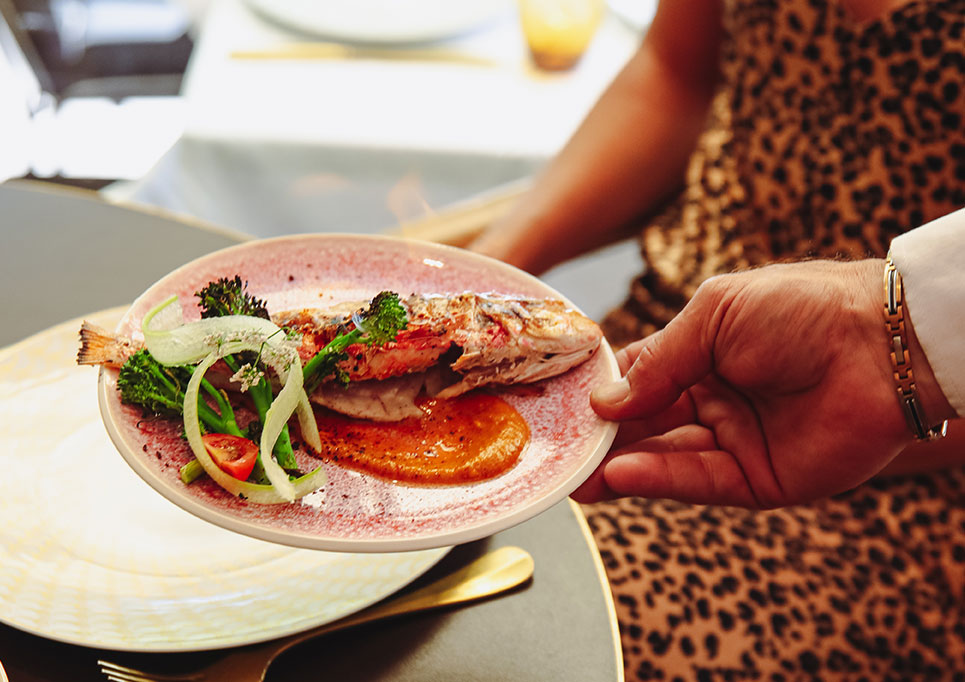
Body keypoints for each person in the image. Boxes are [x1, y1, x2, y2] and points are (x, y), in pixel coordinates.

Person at [470, 0, 965, 678]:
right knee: (418, 536)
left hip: (915, 469)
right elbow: (673, 75)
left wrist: (891, 383)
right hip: (672, 341)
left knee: (517, 628)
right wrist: (484, 287)